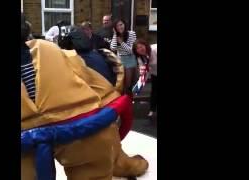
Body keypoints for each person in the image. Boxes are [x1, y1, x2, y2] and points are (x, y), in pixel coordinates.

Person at [21, 17, 149, 180]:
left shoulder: (57, 52)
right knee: (94, 163)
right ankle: (119, 162)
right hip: (78, 123)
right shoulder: (54, 52)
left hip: (54, 127)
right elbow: (104, 86)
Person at [110, 19, 137, 96]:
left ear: (124, 24)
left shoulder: (131, 34)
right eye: (117, 26)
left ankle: (128, 98)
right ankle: (122, 99)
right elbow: (113, 48)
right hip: (120, 60)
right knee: (121, 82)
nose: (120, 27)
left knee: (128, 83)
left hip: (130, 59)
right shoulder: (116, 35)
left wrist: (121, 42)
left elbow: (131, 51)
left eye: (121, 24)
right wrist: (115, 34)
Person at [148, 44, 157, 117]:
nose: (140, 49)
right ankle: (152, 109)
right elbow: (143, 70)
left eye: (141, 47)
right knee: (154, 91)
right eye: (137, 48)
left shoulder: (154, 49)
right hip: (154, 73)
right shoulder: (140, 56)